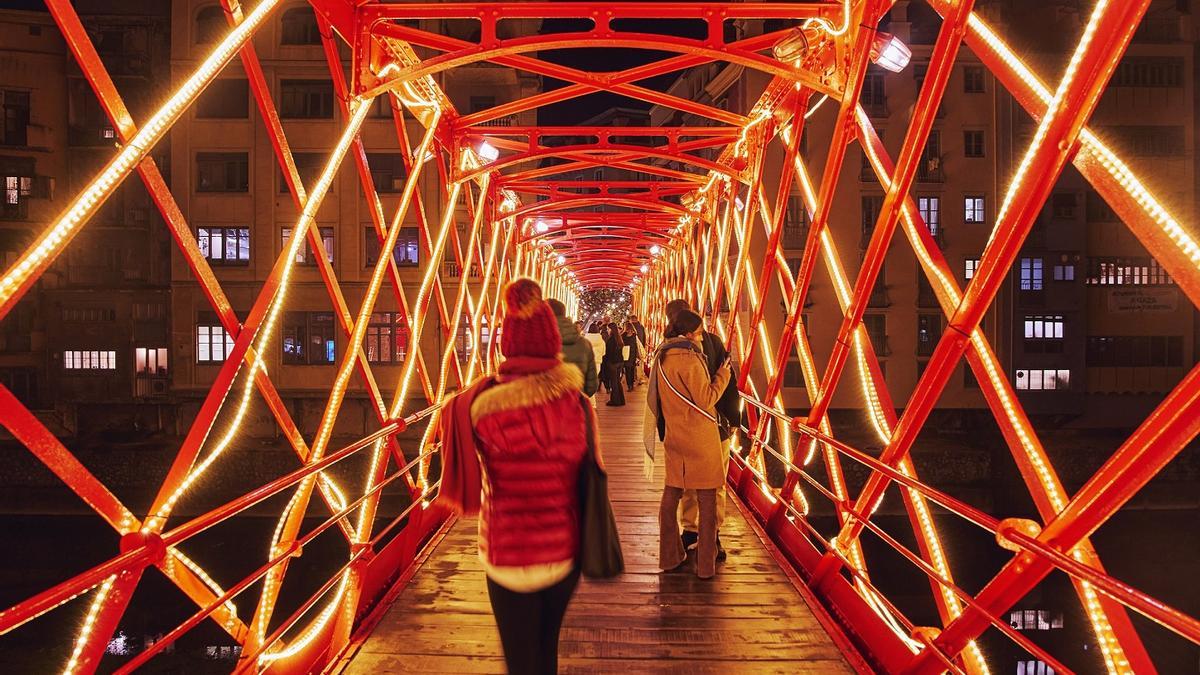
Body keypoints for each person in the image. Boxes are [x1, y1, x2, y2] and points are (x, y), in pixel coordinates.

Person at [438, 278, 595, 675]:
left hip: (505, 552)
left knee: (520, 661)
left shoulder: (477, 408)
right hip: (562, 551)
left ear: (506, 342)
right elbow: (591, 472)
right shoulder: (578, 405)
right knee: (547, 652)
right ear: (552, 343)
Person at [650, 309, 731, 579]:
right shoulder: (689, 359)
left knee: (671, 494)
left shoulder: (662, 356)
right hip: (700, 438)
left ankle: (669, 556)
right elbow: (706, 398)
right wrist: (723, 375)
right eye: (699, 332)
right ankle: (706, 566)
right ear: (687, 334)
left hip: (675, 435)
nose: (701, 337)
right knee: (708, 500)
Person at [664, 299, 739, 561]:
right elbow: (724, 388)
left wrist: (664, 429)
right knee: (715, 485)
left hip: (680, 430)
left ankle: (690, 531)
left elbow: (659, 396)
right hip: (713, 427)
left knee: (685, 483)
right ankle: (712, 536)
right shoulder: (712, 344)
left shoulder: (666, 351)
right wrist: (733, 421)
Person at [548, 298, 598, 397]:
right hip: (575, 404)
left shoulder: (536, 341)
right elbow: (592, 385)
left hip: (544, 405)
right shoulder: (584, 343)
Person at [602, 322, 626, 406]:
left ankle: (615, 400)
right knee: (617, 381)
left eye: (608, 329)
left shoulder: (611, 340)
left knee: (614, 382)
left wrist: (607, 361)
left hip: (613, 363)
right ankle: (621, 399)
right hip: (619, 362)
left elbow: (609, 353)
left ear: (611, 330)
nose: (607, 330)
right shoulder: (619, 339)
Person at [622, 321, 642, 391]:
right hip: (632, 354)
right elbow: (637, 346)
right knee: (631, 370)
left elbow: (621, 345)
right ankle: (631, 385)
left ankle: (629, 385)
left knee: (628, 371)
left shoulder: (623, 335)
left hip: (626, 355)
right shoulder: (634, 336)